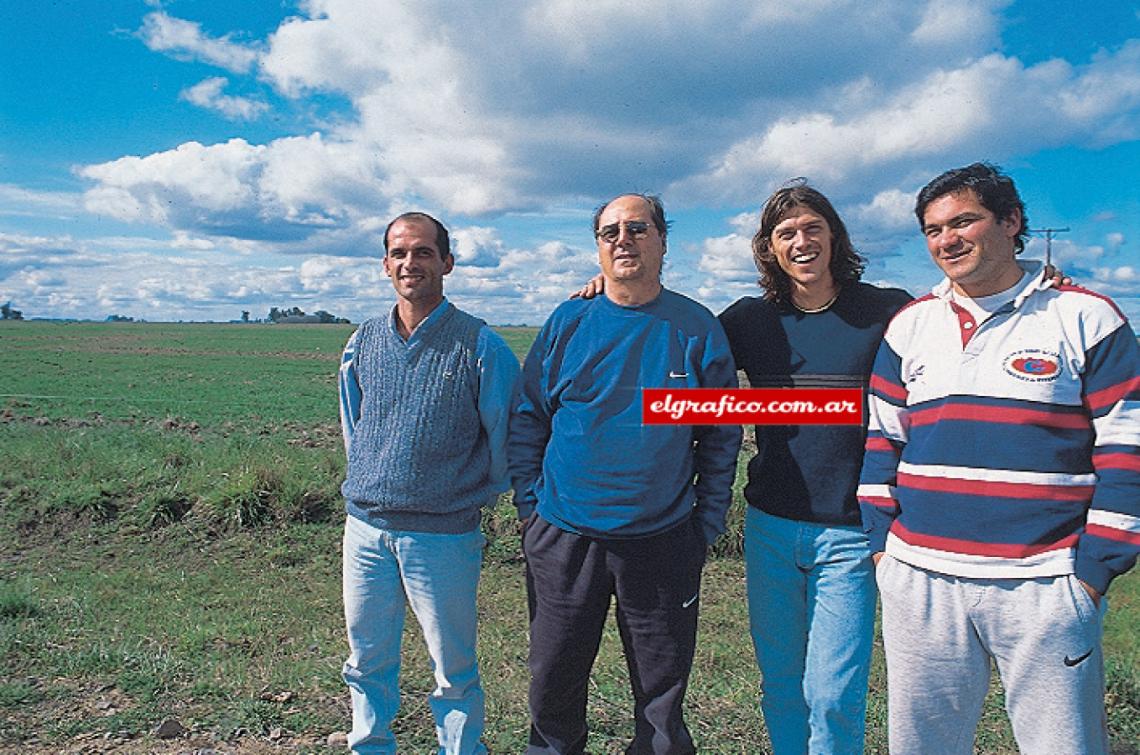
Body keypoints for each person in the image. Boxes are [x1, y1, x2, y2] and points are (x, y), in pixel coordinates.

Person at [859, 163, 1140, 754]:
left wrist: (1091, 573)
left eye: (964, 221)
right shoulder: (910, 326)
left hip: (1043, 582)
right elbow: (882, 442)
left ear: (1011, 222)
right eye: (933, 230)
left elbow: (1127, 449)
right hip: (920, 578)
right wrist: (886, 553)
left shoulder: (1085, 318)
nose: (947, 240)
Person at [509, 193, 742, 754]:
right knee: (553, 684)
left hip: (662, 540)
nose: (623, 240)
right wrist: (530, 512)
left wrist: (704, 524)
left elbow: (720, 436)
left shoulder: (694, 328)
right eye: (610, 231)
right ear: (597, 246)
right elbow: (528, 417)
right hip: (565, 536)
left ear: (663, 241)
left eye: (638, 229)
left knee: (662, 697)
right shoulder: (570, 321)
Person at [718, 184, 911, 754]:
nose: (801, 242)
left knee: (833, 693)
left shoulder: (883, 309)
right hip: (770, 526)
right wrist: (611, 292)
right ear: (770, 249)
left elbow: (953, 321)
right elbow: (677, 346)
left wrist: (1029, 278)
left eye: (811, 228)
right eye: (786, 233)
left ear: (833, 235)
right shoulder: (752, 320)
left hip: (851, 530)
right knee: (781, 686)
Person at [338, 211, 520, 755]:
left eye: (422, 252)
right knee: (366, 660)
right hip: (366, 532)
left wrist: (462, 495)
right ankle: (370, 745)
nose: (409, 263)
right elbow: (355, 426)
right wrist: (373, 480)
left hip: (443, 537)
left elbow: (505, 438)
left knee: (453, 668)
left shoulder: (480, 345)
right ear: (385, 264)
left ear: (447, 262)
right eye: (399, 253)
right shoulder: (361, 341)